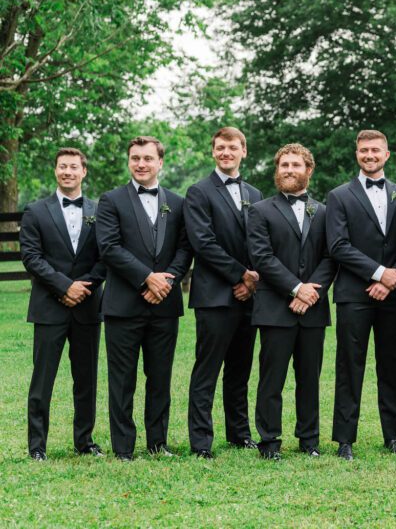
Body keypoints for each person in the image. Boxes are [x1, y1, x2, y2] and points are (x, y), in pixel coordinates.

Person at [95, 136, 192, 461]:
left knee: (160, 376)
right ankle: (123, 448)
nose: (141, 164)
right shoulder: (111, 200)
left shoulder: (178, 203)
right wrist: (146, 278)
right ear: (129, 161)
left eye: (148, 158)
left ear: (160, 162)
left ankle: (157, 443)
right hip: (124, 304)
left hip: (164, 305)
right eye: (135, 158)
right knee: (122, 379)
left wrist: (167, 281)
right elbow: (109, 247)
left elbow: (185, 248)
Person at [326, 130, 396, 459]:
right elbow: (338, 245)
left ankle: (393, 437)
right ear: (357, 154)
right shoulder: (339, 196)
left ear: (387, 154)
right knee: (350, 365)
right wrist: (377, 273)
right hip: (354, 293)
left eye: (375, 150)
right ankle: (345, 440)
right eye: (364, 150)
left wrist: (392, 279)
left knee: (392, 365)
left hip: (395, 294)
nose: (370, 155)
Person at [248, 143, 336, 460]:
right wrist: (296, 288)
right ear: (277, 170)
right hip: (275, 308)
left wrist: (313, 291)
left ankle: (309, 440)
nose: (289, 170)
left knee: (309, 378)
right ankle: (269, 441)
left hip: (313, 308)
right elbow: (262, 257)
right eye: (284, 165)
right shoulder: (260, 211)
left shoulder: (325, 211)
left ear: (308, 170)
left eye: (295, 165)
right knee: (272, 378)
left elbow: (331, 256)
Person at [21, 147, 106, 460]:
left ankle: (84, 442)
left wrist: (84, 287)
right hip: (49, 306)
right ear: (55, 171)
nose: (67, 171)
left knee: (86, 379)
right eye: (62, 167)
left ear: (84, 171)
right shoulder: (36, 211)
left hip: (87, 306)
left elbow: (106, 255)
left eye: (73, 166)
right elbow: (31, 256)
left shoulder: (100, 210)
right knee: (43, 380)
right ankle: (37, 446)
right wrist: (63, 286)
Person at [183, 127, 263, 458]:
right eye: (219, 147)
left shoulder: (256, 194)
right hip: (215, 295)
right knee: (207, 370)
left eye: (232, 147)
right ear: (213, 152)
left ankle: (239, 434)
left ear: (244, 151)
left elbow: (260, 241)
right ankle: (201, 441)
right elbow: (202, 243)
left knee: (240, 369)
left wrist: (252, 282)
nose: (225, 152)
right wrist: (240, 275)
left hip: (251, 296)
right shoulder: (198, 192)